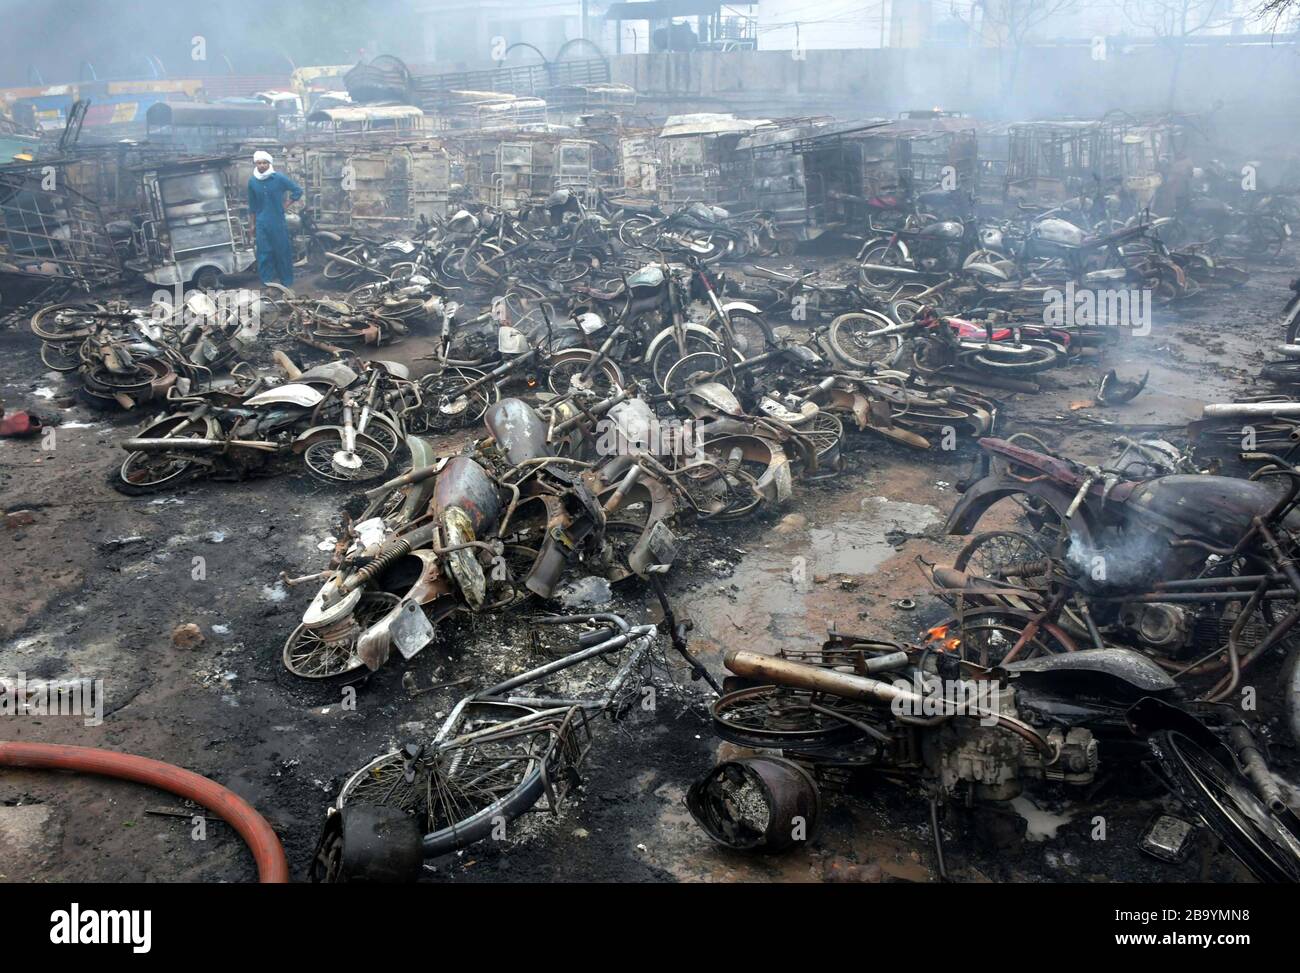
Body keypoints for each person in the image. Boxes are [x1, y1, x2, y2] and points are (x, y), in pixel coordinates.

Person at [247, 150, 303, 287]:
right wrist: (252, 225)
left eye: (264, 162)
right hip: (261, 224)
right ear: (255, 164)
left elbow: (297, 190)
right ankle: (268, 283)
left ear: (269, 163)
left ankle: (286, 282)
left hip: (278, 222)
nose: (261, 165)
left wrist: (287, 204)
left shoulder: (278, 178)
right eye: (259, 163)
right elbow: (252, 205)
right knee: (264, 254)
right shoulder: (252, 182)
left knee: (282, 252)